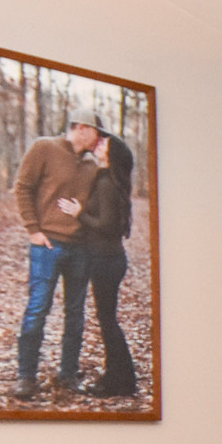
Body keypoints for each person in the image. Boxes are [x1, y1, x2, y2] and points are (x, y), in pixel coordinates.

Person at [10, 110, 101, 397]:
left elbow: (97, 205)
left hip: (80, 248)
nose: (98, 139)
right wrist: (33, 229)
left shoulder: (93, 166)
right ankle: (26, 377)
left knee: (75, 314)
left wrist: (85, 216)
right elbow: (22, 188)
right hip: (47, 245)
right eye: (96, 132)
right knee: (38, 309)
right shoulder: (44, 148)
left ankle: (68, 374)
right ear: (82, 128)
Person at [55, 133, 138, 397]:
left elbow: (107, 225)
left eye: (104, 145)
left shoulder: (106, 183)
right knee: (107, 319)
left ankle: (120, 381)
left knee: (108, 321)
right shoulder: (107, 180)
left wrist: (79, 213)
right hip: (108, 259)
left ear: (111, 156)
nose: (98, 145)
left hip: (106, 261)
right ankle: (118, 377)